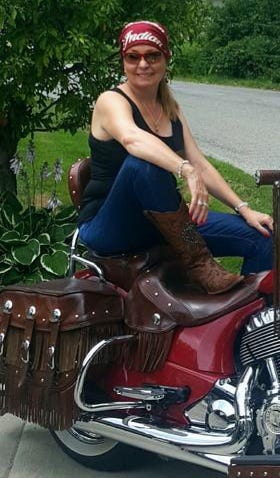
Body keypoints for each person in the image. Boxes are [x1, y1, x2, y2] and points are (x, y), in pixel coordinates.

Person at [78, 20, 273, 294]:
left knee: (262, 237)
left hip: (164, 222)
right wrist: (185, 170)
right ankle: (200, 263)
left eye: (152, 56)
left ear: (165, 59)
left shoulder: (170, 108)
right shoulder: (111, 101)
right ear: (123, 62)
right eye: (133, 57)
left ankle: (249, 322)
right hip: (108, 225)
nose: (143, 64)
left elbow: (200, 162)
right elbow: (132, 139)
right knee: (143, 163)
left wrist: (243, 208)